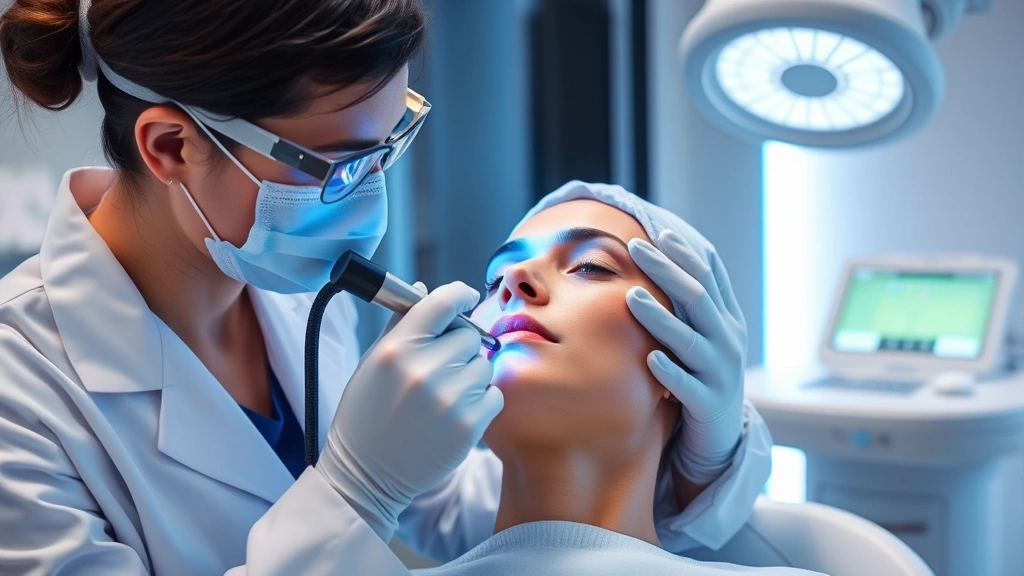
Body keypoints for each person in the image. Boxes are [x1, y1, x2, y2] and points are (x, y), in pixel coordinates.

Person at [0, 1, 771, 574]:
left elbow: (482, 510)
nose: (369, 196)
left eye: (387, 144)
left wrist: (705, 458)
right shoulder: (22, 396)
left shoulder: (293, 292)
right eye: (335, 164)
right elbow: (384, 484)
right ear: (170, 145)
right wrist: (352, 495)